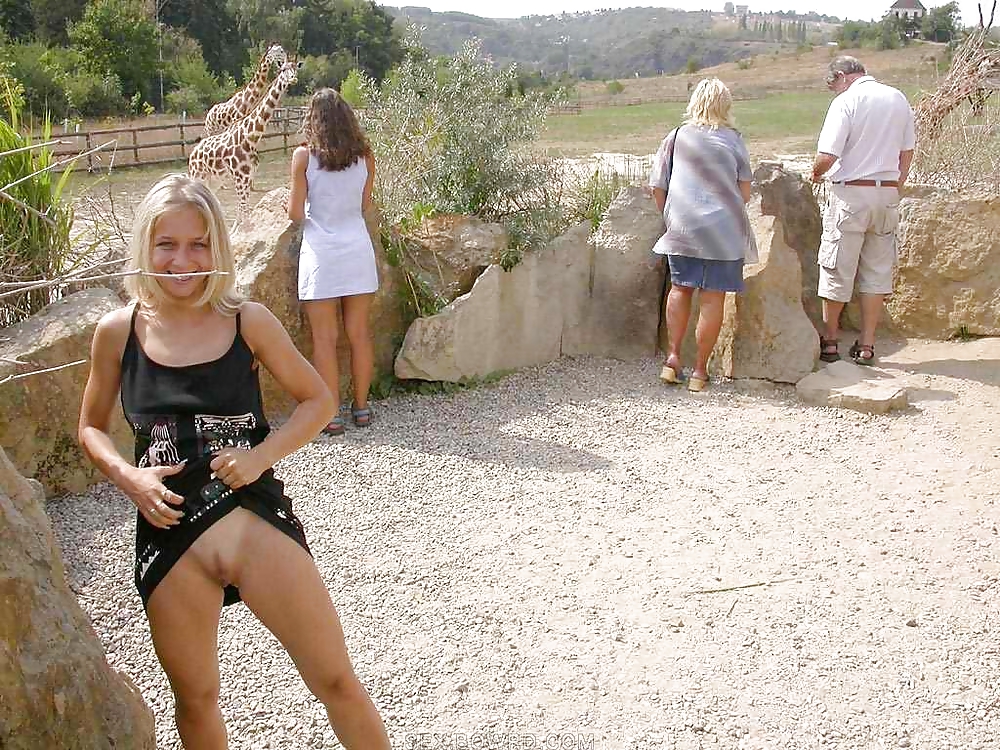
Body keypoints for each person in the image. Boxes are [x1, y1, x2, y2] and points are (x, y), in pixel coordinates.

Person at [77, 174, 391, 750]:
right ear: (144, 248)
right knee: (194, 702)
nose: (181, 260)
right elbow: (91, 427)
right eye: (166, 245)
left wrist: (261, 456)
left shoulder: (247, 321)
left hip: (251, 515)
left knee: (335, 679)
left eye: (198, 244)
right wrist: (129, 477)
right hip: (168, 531)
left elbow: (318, 399)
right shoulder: (116, 333)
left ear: (217, 249)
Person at [648, 77, 754, 392]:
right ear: (726, 106)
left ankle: (672, 360)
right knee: (713, 296)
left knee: (680, 288)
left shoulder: (676, 136)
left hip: (683, 226)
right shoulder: (734, 140)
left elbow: (657, 186)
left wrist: (670, 216)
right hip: (723, 230)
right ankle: (699, 371)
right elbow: (745, 191)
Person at [810, 55, 915, 365]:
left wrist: (814, 173)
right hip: (885, 194)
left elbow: (828, 154)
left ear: (842, 76)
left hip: (851, 194)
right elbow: (906, 150)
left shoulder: (846, 101)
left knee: (837, 266)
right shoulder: (897, 98)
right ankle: (867, 344)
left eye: (834, 85)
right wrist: (897, 184)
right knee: (877, 271)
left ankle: (830, 341)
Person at [288, 88, 378, 436]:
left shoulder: (303, 157)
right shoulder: (365, 157)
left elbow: (296, 214)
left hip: (321, 255)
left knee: (324, 339)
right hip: (357, 250)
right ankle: (362, 407)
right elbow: (365, 206)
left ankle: (331, 414)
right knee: (359, 334)